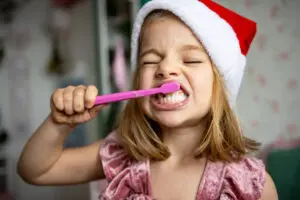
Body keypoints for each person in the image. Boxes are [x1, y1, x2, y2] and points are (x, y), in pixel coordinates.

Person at [17, 0, 278, 199]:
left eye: (190, 60)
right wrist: (59, 123)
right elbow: (35, 170)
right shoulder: (121, 155)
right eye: (150, 61)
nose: (165, 69)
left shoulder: (252, 185)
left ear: (221, 87)